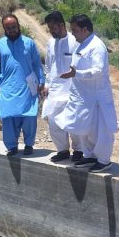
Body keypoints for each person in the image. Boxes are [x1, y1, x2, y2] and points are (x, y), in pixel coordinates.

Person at [54, 14, 118, 173]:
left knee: (100, 131)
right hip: (83, 98)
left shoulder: (97, 46)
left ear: (85, 29)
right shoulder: (81, 44)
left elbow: (98, 71)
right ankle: (89, 156)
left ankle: (103, 160)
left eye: (75, 30)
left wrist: (76, 74)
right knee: (84, 129)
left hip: (96, 98)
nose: (72, 33)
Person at [0, 14, 44, 156]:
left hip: (27, 87)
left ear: (18, 26)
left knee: (29, 117)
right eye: (8, 28)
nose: (11, 30)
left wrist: (41, 81)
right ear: (4, 28)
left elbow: (37, 64)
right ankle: (11, 146)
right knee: (8, 118)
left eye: (13, 27)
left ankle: (28, 145)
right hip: (8, 87)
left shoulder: (29, 43)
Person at [41, 11, 82, 163]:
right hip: (54, 90)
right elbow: (49, 65)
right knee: (54, 122)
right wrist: (46, 84)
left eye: (54, 28)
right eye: (49, 28)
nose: (51, 31)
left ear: (62, 25)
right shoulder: (51, 42)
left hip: (72, 91)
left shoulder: (74, 41)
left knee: (73, 121)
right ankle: (63, 150)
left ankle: (79, 151)